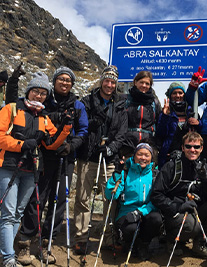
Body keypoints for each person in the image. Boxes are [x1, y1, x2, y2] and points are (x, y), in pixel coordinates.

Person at [0, 72, 72, 267]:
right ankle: (9, 258)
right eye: (36, 91)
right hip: (9, 167)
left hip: (31, 171)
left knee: (17, 213)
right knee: (9, 214)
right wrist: (21, 144)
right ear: (28, 91)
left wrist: (66, 127)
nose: (39, 96)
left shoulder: (43, 117)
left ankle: (4, 254)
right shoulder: (11, 109)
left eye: (43, 93)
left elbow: (52, 143)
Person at [17, 66, 88, 264]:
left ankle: (46, 243)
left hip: (66, 157)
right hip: (42, 155)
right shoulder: (43, 100)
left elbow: (83, 130)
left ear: (72, 84)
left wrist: (72, 145)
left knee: (59, 201)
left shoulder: (77, 105)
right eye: (61, 79)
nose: (64, 83)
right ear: (54, 81)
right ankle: (26, 241)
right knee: (36, 198)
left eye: (68, 80)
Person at [151, 132, 207, 258]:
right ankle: (171, 240)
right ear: (182, 148)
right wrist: (177, 206)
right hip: (175, 213)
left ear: (202, 149)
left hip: (196, 210)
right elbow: (156, 194)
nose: (192, 150)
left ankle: (200, 243)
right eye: (188, 146)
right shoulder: (171, 166)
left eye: (196, 147)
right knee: (190, 225)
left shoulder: (206, 167)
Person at [74, 65, 128, 252]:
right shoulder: (88, 101)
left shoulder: (121, 105)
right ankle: (81, 237)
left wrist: (112, 149)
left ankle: (109, 237)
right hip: (87, 156)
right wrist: (91, 124)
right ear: (101, 81)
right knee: (82, 198)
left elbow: (122, 132)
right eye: (107, 80)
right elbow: (79, 125)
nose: (109, 84)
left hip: (109, 159)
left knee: (110, 199)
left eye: (113, 82)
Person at [105, 143, 163, 261]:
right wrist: (116, 174)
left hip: (146, 211)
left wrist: (140, 212)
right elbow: (110, 195)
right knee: (130, 229)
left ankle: (143, 244)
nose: (143, 158)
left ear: (151, 157)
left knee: (156, 219)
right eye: (140, 154)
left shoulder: (155, 174)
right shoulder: (125, 172)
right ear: (134, 155)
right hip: (126, 212)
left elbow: (157, 199)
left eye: (146, 155)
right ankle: (131, 243)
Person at [155, 82, 201, 167]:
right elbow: (160, 134)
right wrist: (165, 116)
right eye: (174, 93)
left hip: (189, 153)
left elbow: (200, 133)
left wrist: (198, 124)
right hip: (169, 155)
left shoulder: (192, 112)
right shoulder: (165, 112)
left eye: (180, 93)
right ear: (170, 95)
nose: (177, 95)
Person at [121, 71, 161, 160]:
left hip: (148, 149)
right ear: (135, 82)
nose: (144, 85)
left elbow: (159, 126)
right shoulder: (125, 100)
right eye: (141, 82)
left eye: (147, 83)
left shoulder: (154, 103)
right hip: (127, 148)